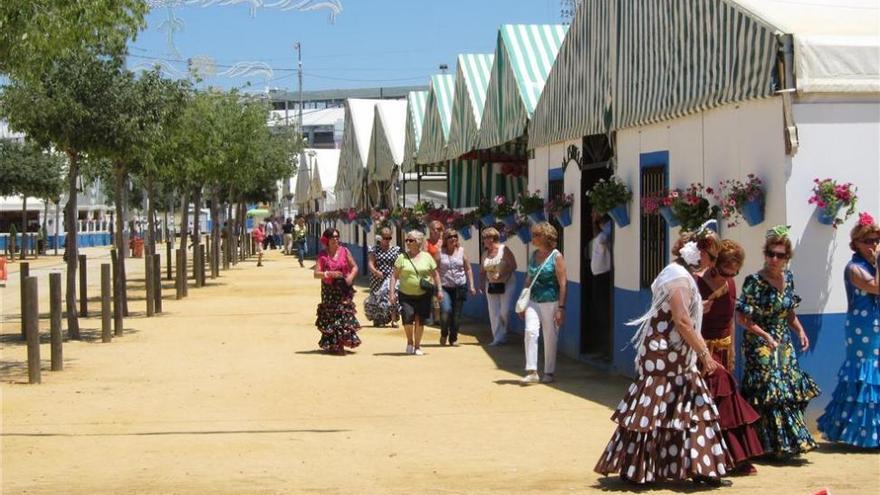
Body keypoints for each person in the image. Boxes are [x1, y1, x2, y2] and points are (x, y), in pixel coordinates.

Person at [595, 224, 734, 487]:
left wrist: (698, 308)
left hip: (674, 357)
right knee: (664, 410)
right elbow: (681, 321)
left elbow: (680, 314)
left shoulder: (679, 276)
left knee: (687, 409)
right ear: (701, 253)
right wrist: (704, 354)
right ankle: (646, 469)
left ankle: (696, 468)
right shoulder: (677, 277)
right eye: (712, 258)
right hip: (666, 358)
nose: (712, 264)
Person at [736, 225, 820, 458]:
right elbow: (743, 317)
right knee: (770, 389)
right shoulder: (754, 281)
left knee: (787, 389)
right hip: (759, 342)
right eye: (770, 254)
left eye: (780, 255)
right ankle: (761, 444)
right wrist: (765, 336)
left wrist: (800, 331)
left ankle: (784, 443)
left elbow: (789, 312)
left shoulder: (788, 279)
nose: (774, 259)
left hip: (783, 342)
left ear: (787, 258)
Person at [695, 238, 764, 474]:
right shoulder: (696, 282)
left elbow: (730, 319)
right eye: (725, 271)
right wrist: (703, 353)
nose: (728, 277)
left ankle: (732, 456)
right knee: (708, 403)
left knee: (726, 404)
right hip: (702, 351)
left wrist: (732, 349)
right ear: (715, 264)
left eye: (734, 272)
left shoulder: (732, 284)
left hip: (723, 350)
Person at [818, 213, 880, 448]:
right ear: (856, 244)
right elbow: (876, 287)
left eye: (876, 240)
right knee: (866, 373)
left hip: (877, 322)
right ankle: (861, 433)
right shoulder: (854, 268)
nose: (873, 245)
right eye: (868, 241)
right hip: (862, 327)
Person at [517, 222, 567, 384]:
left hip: (550, 301)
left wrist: (561, 308)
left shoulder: (556, 256)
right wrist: (522, 302)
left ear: (545, 236)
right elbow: (528, 279)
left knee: (550, 336)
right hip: (533, 300)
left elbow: (563, 283)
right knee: (530, 332)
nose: (533, 238)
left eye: (536, 235)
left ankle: (549, 371)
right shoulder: (534, 255)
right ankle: (532, 371)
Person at [389, 230, 443, 356]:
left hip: (423, 294)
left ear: (418, 242)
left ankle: (417, 346)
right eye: (406, 240)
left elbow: (435, 275)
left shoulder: (427, 257)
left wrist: (439, 289)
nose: (407, 242)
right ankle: (409, 342)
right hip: (405, 293)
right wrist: (391, 293)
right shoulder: (402, 257)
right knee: (407, 318)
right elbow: (394, 276)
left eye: (410, 240)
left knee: (420, 320)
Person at [313, 228, 361, 355]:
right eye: (332, 237)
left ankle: (340, 343)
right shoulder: (323, 255)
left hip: (343, 288)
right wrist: (329, 273)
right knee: (331, 315)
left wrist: (350, 277)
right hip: (329, 290)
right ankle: (333, 343)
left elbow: (355, 266)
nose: (335, 239)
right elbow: (316, 274)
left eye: (337, 236)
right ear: (327, 240)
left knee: (343, 314)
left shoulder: (345, 251)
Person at [437, 228, 476, 346]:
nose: (453, 238)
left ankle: (453, 337)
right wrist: (438, 287)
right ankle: (444, 332)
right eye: (450, 237)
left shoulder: (462, 251)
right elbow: (435, 271)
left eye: (455, 236)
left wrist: (472, 285)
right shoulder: (440, 252)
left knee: (457, 315)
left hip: (460, 286)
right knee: (446, 311)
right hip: (445, 287)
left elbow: (468, 268)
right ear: (445, 239)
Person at [480, 227, 517, 346]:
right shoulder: (485, 253)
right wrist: (481, 285)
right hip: (491, 284)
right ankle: (497, 337)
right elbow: (482, 271)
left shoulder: (504, 250)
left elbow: (513, 265)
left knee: (505, 310)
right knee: (493, 311)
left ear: (492, 239)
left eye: (485, 238)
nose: (484, 240)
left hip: (507, 283)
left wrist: (501, 273)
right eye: (483, 238)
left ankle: (503, 333)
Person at [365, 227, 400, 327]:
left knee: (392, 297)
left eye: (389, 238)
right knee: (378, 298)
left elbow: (397, 264)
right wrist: (376, 272)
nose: (387, 240)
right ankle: (379, 318)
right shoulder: (374, 250)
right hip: (377, 278)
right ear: (380, 238)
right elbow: (370, 263)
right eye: (385, 238)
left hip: (391, 277)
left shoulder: (395, 250)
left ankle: (393, 319)